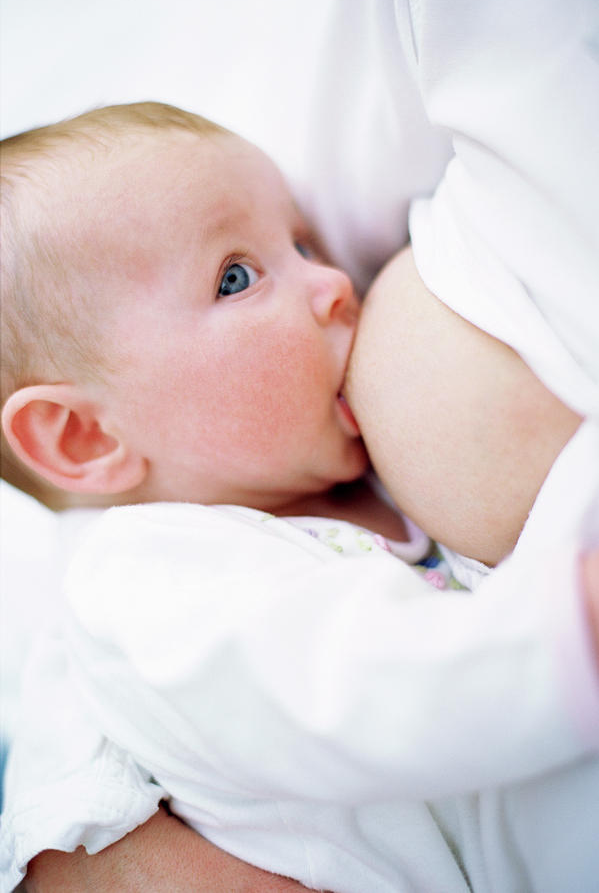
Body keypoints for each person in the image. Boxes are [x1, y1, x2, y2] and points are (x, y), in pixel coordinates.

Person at [0, 100, 597, 893]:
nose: (333, 285)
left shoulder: (342, 490)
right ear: (85, 438)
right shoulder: (147, 583)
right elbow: (366, 689)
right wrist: (575, 624)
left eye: (305, 243)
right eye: (236, 277)